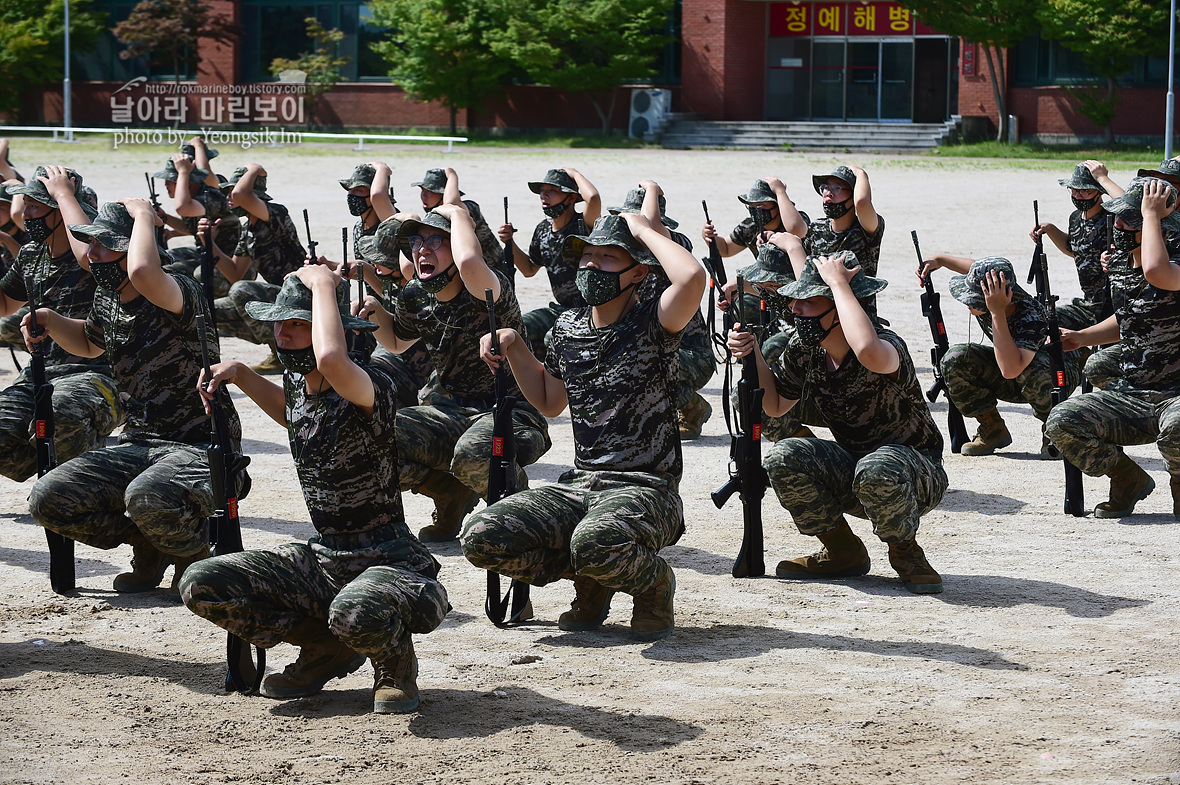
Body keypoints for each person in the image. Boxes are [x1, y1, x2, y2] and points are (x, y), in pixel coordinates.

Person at [182, 269, 447, 714]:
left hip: (390, 562)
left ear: (331, 330)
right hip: (326, 558)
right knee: (203, 582)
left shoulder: (369, 382)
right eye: (279, 324)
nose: (283, 336)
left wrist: (324, 284)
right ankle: (326, 649)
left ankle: (393, 663)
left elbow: (331, 361)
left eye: (298, 324)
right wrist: (242, 374)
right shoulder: (302, 382)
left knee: (355, 609)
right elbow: (296, 415)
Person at [462, 212, 707, 640]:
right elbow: (549, 400)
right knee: (482, 535)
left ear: (638, 272)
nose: (591, 265)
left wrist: (645, 230)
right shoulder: (568, 327)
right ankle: (593, 578)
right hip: (581, 485)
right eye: (587, 256)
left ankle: (652, 585)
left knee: (594, 542)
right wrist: (514, 344)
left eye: (608, 257)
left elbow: (691, 279)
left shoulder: (654, 321)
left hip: (647, 489)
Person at [25, 199, 247, 594]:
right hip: (141, 441)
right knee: (48, 498)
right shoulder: (109, 296)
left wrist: (146, 214)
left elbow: (144, 271)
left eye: (104, 244)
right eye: (90, 244)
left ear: (134, 245)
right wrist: (49, 320)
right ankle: (152, 543)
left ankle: (194, 554)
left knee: (147, 495)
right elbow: (89, 344)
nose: (92, 255)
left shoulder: (177, 288)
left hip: (201, 445)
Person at [728, 254, 946, 594]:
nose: (796, 311)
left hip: (915, 475)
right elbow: (774, 405)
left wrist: (839, 284)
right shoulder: (805, 350)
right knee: (783, 456)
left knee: (877, 467)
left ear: (842, 306)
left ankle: (906, 552)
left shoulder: (886, 346)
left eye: (809, 302)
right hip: (856, 469)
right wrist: (752, 351)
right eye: (795, 302)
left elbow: (867, 349)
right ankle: (842, 550)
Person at [363, 202, 551, 542]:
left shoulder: (488, 288)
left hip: (510, 411)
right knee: (375, 441)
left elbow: (468, 263)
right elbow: (396, 341)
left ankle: (527, 523)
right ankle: (450, 494)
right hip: (450, 409)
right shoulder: (415, 295)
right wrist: (375, 313)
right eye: (417, 243)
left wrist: (460, 214)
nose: (422, 250)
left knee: (472, 454)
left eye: (436, 241)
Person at [1047, 177, 1180, 520]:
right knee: (1062, 420)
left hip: (1175, 395)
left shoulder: (1174, 265)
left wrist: (1151, 214)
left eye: (1127, 220)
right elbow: (1128, 319)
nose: (1116, 225)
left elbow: (1157, 270)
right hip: (1133, 393)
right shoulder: (1120, 264)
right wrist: (1080, 337)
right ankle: (1127, 479)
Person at [0, 167, 123, 482]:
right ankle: (55, 469)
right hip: (42, 374)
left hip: (99, 377)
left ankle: (74, 482)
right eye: (25, 205)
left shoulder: (98, 256)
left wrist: (63, 193)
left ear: (59, 210)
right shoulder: (31, 255)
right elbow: (4, 305)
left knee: (60, 411)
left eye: (35, 206)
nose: (26, 215)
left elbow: (85, 254)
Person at [917, 254, 1081, 457]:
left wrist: (996, 313)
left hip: (1053, 376)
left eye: (974, 298)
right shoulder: (1000, 290)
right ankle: (992, 428)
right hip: (1012, 372)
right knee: (955, 359)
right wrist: (940, 261)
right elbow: (975, 268)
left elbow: (1012, 368)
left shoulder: (1031, 316)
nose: (967, 302)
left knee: (1032, 366)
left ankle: (1054, 427)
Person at [608, 182, 715, 438]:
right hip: (658, 345)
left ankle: (692, 407)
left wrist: (652, 189)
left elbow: (652, 227)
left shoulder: (675, 246)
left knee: (645, 360)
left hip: (692, 354)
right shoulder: (627, 256)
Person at [210, 164, 307, 372]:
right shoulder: (248, 229)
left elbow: (241, 194)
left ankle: (284, 352)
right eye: (227, 192)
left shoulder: (276, 214)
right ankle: (278, 350)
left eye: (232, 191)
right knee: (211, 309)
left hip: (302, 298)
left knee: (241, 291)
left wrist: (254, 169)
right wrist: (209, 244)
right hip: (281, 298)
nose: (229, 197)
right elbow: (235, 273)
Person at [499, 168, 601, 361]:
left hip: (589, 310)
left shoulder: (584, 225)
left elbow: (593, 198)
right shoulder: (542, 230)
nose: (544, 196)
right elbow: (529, 270)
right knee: (520, 329)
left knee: (552, 338)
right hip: (561, 309)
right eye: (542, 191)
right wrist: (509, 243)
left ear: (571, 198)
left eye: (552, 190)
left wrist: (574, 173)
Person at [1029, 160, 1123, 331]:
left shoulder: (1114, 218)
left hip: (1113, 304)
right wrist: (1050, 229)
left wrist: (1103, 178)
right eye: (1074, 190)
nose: (1078, 195)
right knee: (1042, 319)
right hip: (1087, 305)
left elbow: (1130, 208)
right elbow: (1074, 250)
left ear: (1099, 191)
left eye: (1086, 191)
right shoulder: (1075, 218)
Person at [357, 217, 434, 408]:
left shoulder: (422, 293)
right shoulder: (393, 282)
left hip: (420, 376)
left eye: (379, 258)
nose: (373, 261)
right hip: (402, 363)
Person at [412, 167, 512, 286]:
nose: (424, 196)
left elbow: (451, 204)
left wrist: (452, 175)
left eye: (431, 191)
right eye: (423, 191)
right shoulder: (435, 216)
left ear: (444, 193)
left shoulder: (468, 209)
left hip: (493, 271)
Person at [701, 177, 807, 259]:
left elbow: (795, 229)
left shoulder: (798, 219)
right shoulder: (750, 226)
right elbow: (726, 249)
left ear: (778, 205)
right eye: (751, 205)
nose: (755, 210)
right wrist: (709, 236)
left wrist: (780, 192)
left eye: (762, 205)